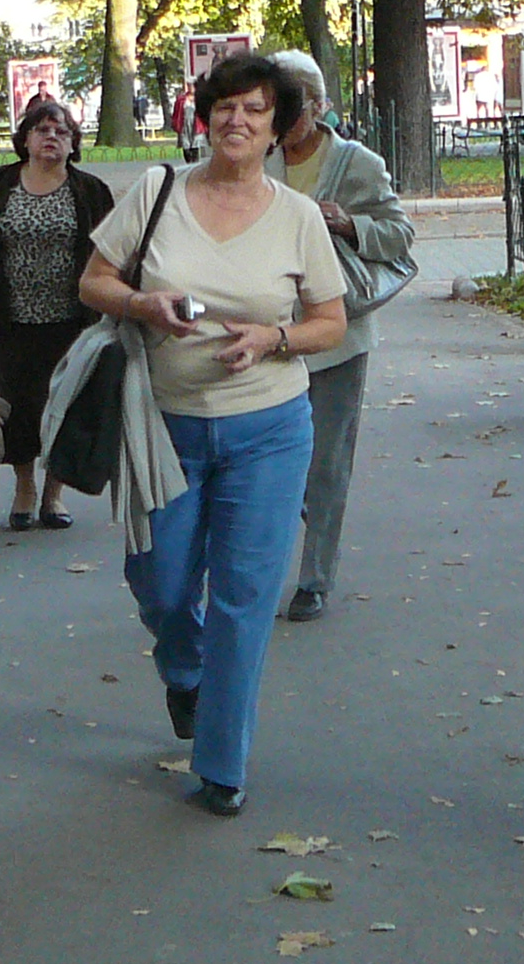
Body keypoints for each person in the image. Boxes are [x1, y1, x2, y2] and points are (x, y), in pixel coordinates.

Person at [79, 53, 347, 816]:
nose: (238, 120)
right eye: (226, 105)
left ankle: (222, 763)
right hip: (163, 427)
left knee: (244, 597)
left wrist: (273, 339)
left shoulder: (298, 217)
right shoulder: (157, 192)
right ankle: (185, 671)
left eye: (255, 109)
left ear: (276, 127)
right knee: (160, 584)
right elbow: (93, 281)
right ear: (205, 117)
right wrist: (143, 304)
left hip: (270, 431)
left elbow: (329, 322)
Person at [266, 52, 413, 621]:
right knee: (274, 460)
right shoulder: (255, 159)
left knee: (327, 462)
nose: (282, 116)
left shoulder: (356, 162)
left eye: (293, 104)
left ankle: (315, 579)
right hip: (269, 332)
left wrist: (349, 223)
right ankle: (299, 523)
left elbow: (399, 234)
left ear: (319, 105)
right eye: (273, 103)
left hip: (337, 336)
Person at [0, 98, 116, 530]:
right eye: (42, 130)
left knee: (64, 406)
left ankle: (54, 494)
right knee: (17, 410)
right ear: (25, 139)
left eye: (61, 131)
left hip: (73, 320)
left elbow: (115, 253)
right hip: (12, 320)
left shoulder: (90, 190)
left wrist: (121, 303)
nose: (52, 137)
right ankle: (24, 488)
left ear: (73, 143)